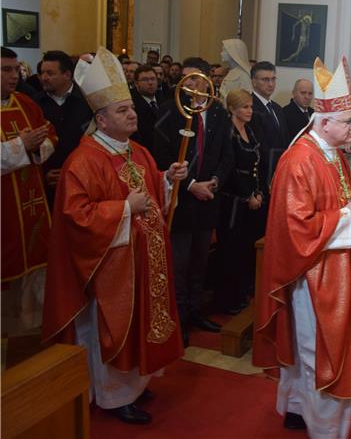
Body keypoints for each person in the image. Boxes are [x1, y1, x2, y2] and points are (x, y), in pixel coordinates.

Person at [42, 47, 187, 425]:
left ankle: (137, 384)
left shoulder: (136, 151)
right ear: (102, 119)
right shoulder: (83, 160)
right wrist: (123, 209)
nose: (133, 114)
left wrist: (167, 181)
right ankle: (112, 396)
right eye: (123, 110)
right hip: (109, 269)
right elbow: (76, 217)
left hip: (142, 261)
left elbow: (151, 195)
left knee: (144, 322)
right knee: (111, 328)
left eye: (131, 108)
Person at [252, 56, 351, 437]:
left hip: (334, 265)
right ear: (323, 122)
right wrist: (345, 216)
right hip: (311, 272)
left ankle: (295, 406)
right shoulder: (298, 160)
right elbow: (295, 227)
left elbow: (342, 191)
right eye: (349, 121)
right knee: (313, 347)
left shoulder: (333, 153)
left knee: (309, 346)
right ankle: (321, 424)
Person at [153, 57, 234, 346]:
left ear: (206, 80)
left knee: (200, 262)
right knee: (180, 263)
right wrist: (190, 185)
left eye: (195, 79)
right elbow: (161, 156)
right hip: (181, 202)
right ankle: (179, 319)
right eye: (184, 79)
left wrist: (215, 181)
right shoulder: (168, 111)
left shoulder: (218, 113)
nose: (190, 85)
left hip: (208, 199)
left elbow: (227, 154)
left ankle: (196, 310)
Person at [1, 47, 57, 335]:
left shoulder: (26, 103)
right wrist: (21, 146)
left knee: (35, 267)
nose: (14, 75)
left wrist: (36, 149)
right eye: (5, 70)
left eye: (15, 69)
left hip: (32, 204)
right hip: (4, 210)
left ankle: (31, 332)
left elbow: (50, 138)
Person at [215, 89, 266, 315]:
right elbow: (232, 169)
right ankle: (228, 300)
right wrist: (248, 196)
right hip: (233, 202)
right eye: (245, 107)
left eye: (251, 106)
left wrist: (259, 192)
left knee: (246, 249)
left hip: (251, 200)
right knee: (231, 252)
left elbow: (256, 165)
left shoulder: (250, 131)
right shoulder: (227, 132)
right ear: (233, 108)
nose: (250, 111)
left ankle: (242, 293)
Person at [29, 50, 93, 204]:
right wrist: (43, 174)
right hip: (47, 182)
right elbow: (31, 145)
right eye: (42, 73)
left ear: (68, 75)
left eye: (50, 73)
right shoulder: (33, 104)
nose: (44, 78)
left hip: (84, 179)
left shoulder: (88, 102)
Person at [250, 61, 289, 182]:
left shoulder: (277, 108)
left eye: (273, 79)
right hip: (261, 174)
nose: (271, 84)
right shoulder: (250, 107)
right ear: (254, 81)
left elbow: (284, 139)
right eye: (265, 80)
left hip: (280, 170)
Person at [130, 65, 164, 154]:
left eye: (153, 79)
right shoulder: (131, 104)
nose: (150, 83)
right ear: (136, 84)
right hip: (142, 152)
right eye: (145, 80)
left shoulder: (164, 100)